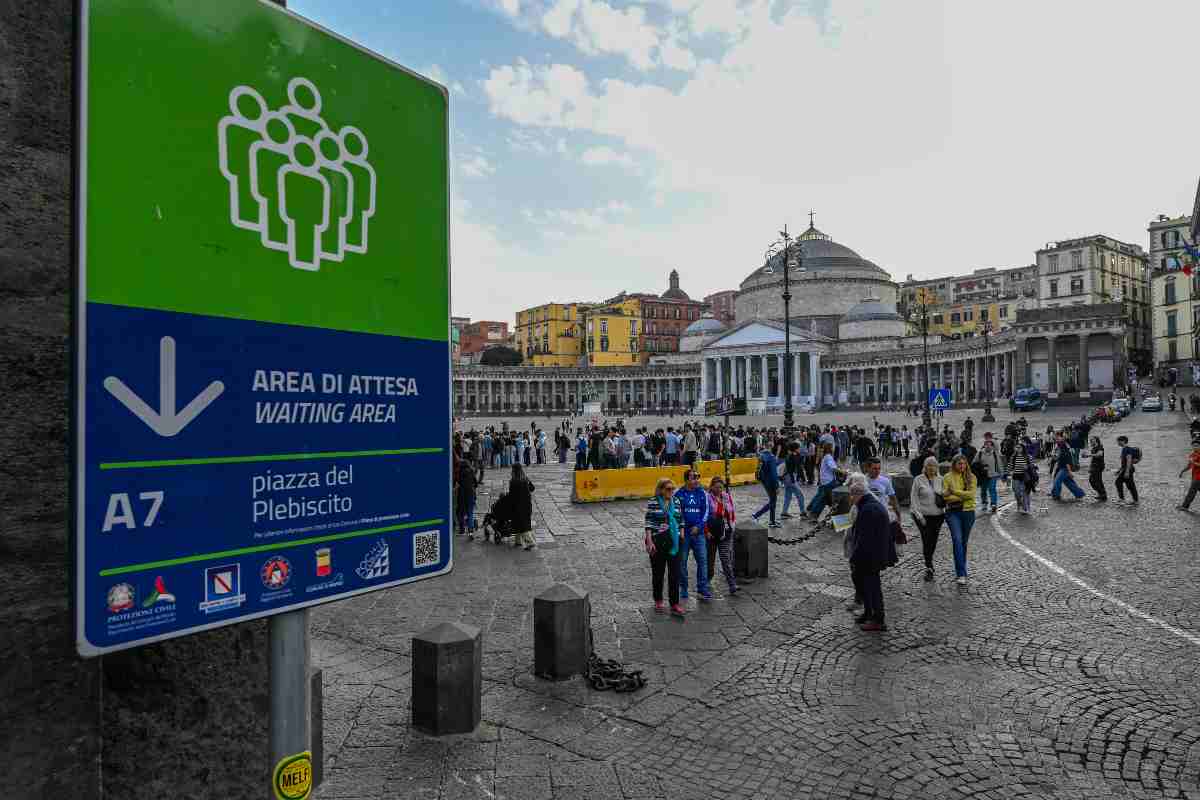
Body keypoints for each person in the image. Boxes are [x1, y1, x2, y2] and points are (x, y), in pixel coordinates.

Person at [844, 472, 895, 632]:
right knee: (867, 587)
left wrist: (855, 557)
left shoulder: (868, 509)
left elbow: (864, 539)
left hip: (871, 557)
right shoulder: (867, 504)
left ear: (858, 494)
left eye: (851, 496)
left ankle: (878, 619)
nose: (850, 499)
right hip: (872, 554)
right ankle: (868, 613)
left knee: (873, 588)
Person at [644, 477, 685, 617]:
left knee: (675, 574)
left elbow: (681, 520)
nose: (671, 492)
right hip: (658, 541)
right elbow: (648, 523)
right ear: (661, 489)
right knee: (658, 573)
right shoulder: (653, 502)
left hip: (674, 541)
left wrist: (682, 534)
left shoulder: (677, 502)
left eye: (673, 489)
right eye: (668, 489)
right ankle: (658, 600)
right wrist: (649, 541)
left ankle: (674, 603)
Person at [675, 470, 712, 602]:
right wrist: (683, 528)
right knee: (682, 563)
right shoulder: (678, 494)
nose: (696, 480)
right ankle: (683, 587)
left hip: (699, 534)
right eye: (693, 478)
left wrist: (699, 526)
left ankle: (702, 588)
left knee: (702, 561)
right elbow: (676, 514)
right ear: (686, 480)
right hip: (684, 534)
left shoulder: (702, 493)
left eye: (698, 477)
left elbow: (706, 512)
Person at [943, 454, 977, 586]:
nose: (962, 466)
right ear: (954, 464)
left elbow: (972, 495)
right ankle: (961, 573)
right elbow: (946, 497)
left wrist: (954, 492)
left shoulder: (971, 477)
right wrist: (962, 496)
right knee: (957, 540)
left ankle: (961, 566)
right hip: (953, 513)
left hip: (968, 512)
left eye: (964, 463)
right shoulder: (947, 477)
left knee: (963, 542)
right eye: (959, 464)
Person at [910, 456, 945, 581]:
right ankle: (929, 566)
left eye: (933, 465)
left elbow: (945, 496)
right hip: (922, 516)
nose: (931, 468)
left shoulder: (941, 479)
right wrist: (919, 516)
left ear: (937, 468)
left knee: (933, 540)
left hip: (938, 516)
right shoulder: (918, 480)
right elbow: (913, 499)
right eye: (929, 465)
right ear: (925, 467)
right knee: (926, 539)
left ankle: (929, 560)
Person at [705, 476, 738, 595]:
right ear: (712, 487)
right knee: (710, 560)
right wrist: (706, 531)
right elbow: (708, 514)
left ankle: (732, 584)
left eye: (721, 487)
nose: (719, 489)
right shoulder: (707, 498)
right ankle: (707, 581)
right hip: (712, 533)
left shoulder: (727, 496)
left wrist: (732, 526)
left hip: (726, 532)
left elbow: (731, 511)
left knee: (726, 559)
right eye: (717, 487)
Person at [807, 442, 843, 519]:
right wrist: (843, 471)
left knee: (821, 496)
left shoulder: (825, 456)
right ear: (830, 449)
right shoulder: (828, 457)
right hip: (828, 481)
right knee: (825, 498)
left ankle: (811, 510)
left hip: (824, 480)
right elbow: (833, 467)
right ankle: (814, 514)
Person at [751, 444, 782, 528]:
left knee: (773, 501)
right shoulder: (771, 457)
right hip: (771, 482)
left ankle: (772, 521)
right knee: (773, 502)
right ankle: (756, 515)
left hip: (765, 481)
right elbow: (773, 473)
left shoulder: (762, 455)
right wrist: (777, 486)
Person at [1049, 432, 1085, 502]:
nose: (1056, 440)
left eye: (1057, 439)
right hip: (1060, 467)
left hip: (1065, 468)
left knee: (1057, 481)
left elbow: (1067, 462)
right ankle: (1079, 494)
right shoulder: (1061, 449)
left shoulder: (1065, 450)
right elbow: (1059, 458)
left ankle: (1056, 495)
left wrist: (1069, 472)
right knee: (1068, 482)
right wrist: (1054, 457)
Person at [508, 464, 537, 551]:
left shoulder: (513, 481)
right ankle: (518, 541)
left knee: (522, 524)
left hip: (518, 506)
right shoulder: (525, 479)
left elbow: (511, 496)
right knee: (522, 523)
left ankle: (530, 542)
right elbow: (532, 488)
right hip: (527, 505)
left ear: (513, 471)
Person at [973, 432, 1002, 513]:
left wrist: (1002, 474)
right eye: (986, 444)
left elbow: (999, 463)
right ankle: (984, 503)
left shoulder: (995, 453)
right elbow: (974, 463)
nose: (988, 446)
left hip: (993, 474)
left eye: (990, 444)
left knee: (992, 489)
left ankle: (993, 504)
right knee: (983, 490)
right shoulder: (980, 453)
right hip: (983, 475)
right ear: (984, 445)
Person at [1006, 435, 1034, 515]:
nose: (1017, 449)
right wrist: (1007, 475)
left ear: (1023, 448)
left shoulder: (1028, 457)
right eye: (1016, 447)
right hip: (1016, 476)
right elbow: (1010, 466)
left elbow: (1032, 468)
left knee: (1025, 493)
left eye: (1019, 447)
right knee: (1017, 492)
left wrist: (1027, 467)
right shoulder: (1013, 457)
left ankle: (1026, 508)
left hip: (1026, 477)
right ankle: (1019, 504)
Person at [780, 441, 806, 520]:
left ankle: (784, 512)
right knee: (800, 495)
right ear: (795, 449)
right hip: (790, 478)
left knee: (788, 496)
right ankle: (803, 512)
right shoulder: (792, 457)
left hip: (787, 478)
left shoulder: (790, 455)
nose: (800, 449)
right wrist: (794, 480)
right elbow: (793, 469)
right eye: (798, 448)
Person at [455, 457, 477, 539]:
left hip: (462, 495)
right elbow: (476, 483)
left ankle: (462, 529)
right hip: (471, 494)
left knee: (460, 512)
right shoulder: (471, 472)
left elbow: (459, 482)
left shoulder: (460, 472)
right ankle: (471, 531)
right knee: (470, 513)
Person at [1176, 439, 1200, 511]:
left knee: (1191, 491)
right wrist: (1182, 471)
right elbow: (1189, 465)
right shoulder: (1192, 454)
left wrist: (1193, 462)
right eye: (1194, 446)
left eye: (1197, 446)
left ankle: (1185, 506)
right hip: (1195, 476)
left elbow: (1195, 464)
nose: (1195, 447)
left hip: (1198, 478)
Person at [1115, 435, 1139, 504]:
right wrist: (1119, 470)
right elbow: (1124, 462)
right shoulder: (1125, 449)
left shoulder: (1127, 449)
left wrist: (1127, 471)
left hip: (1128, 469)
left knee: (1119, 482)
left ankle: (1123, 499)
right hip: (1126, 469)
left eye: (1118, 441)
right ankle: (1135, 500)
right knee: (1130, 485)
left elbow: (1129, 460)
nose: (1117, 443)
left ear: (1123, 441)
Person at [1087, 436, 1107, 502]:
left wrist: (1089, 455)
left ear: (1096, 440)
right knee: (1092, 480)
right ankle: (1101, 493)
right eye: (1090, 440)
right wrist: (1090, 466)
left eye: (1092, 440)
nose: (1091, 441)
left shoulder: (1100, 447)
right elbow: (1093, 459)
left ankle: (1102, 494)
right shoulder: (1093, 448)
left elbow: (1099, 454)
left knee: (1097, 480)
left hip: (1098, 466)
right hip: (1094, 466)